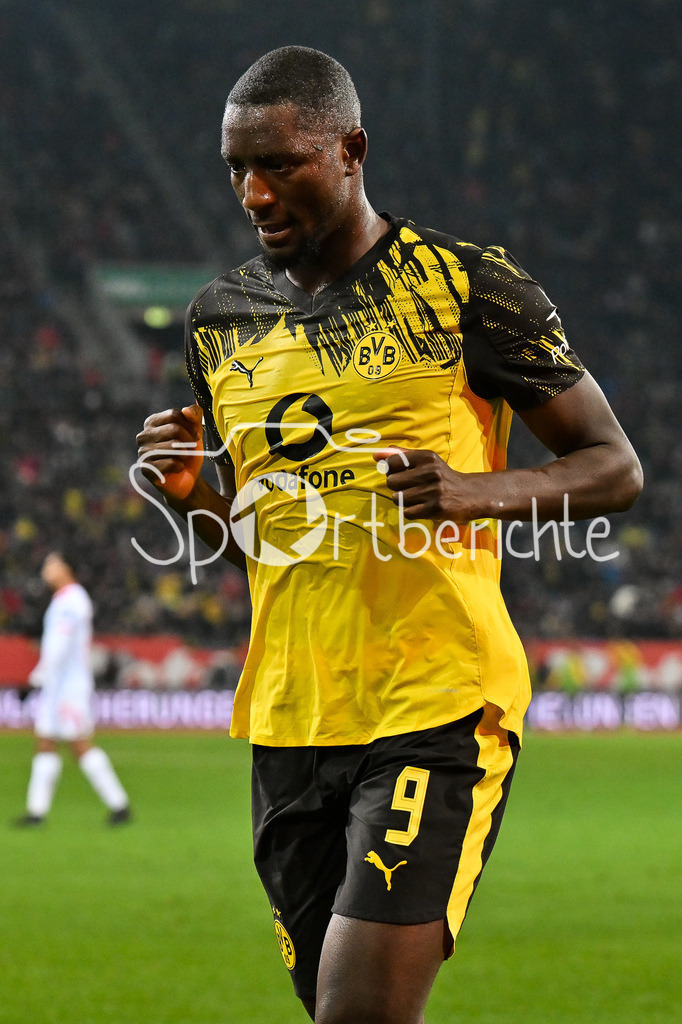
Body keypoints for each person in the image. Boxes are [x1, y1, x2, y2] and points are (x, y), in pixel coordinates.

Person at [135, 46, 642, 1024]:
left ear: (351, 149)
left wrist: (475, 491)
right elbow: (260, 543)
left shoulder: (467, 288)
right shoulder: (217, 323)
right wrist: (197, 492)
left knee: (359, 1011)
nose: (252, 190)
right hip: (290, 722)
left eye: (279, 162)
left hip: (436, 701)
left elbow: (613, 466)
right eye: (236, 168)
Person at [14, 550, 131, 827]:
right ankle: (36, 812)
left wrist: (36, 679)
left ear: (66, 568)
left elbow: (60, 647)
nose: (46, 568)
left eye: (51, 563)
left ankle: (119, 805)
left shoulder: (72, 601)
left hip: (69, 688)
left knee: (79, 745)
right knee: (45, 742)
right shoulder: (64, 600)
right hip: (58, 685)